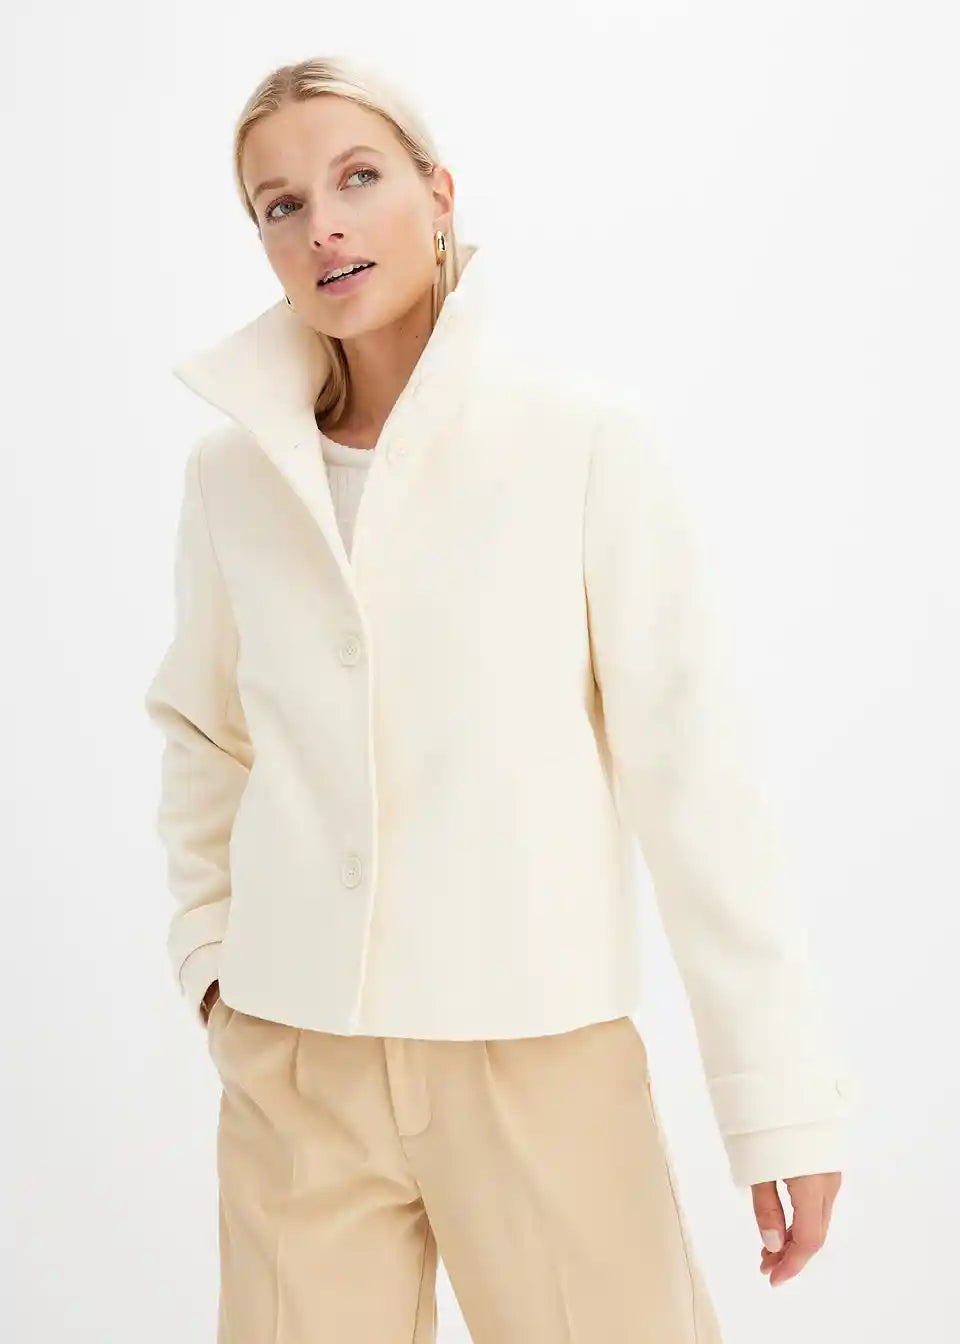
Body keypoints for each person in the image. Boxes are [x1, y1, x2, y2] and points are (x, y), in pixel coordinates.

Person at [144, 53, 856, 1342]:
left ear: (438, 192)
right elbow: (205, 736)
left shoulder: (580, 442)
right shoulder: (229, 476)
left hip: (536, 1053)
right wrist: (216, 968)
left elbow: (694, 780)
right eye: (280, 205)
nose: (324, 225)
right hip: (296, 1062)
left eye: (358, 177)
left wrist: (779, 1105)